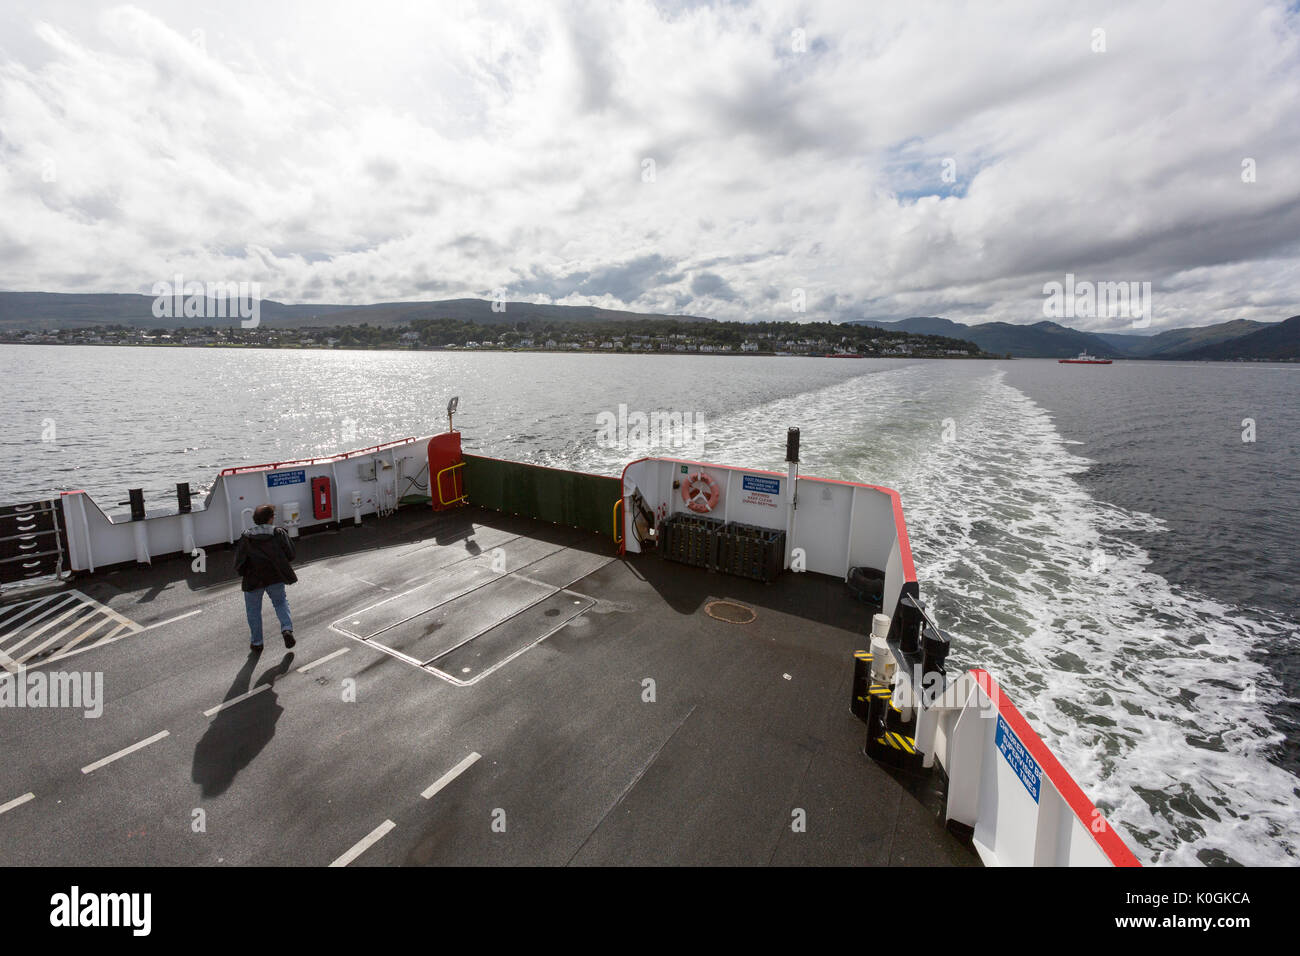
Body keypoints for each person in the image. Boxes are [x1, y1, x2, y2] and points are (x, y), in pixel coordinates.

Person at [233, 504, 298, 653]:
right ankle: (287, 629)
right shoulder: (278, 533)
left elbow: (239, 562)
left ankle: (257, 643)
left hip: (253, 579)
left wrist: (245, 573)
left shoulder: (246, 536)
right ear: (270, 519)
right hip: (274, 576)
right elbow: (291, 554)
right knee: (280, 603)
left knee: (253, 611)